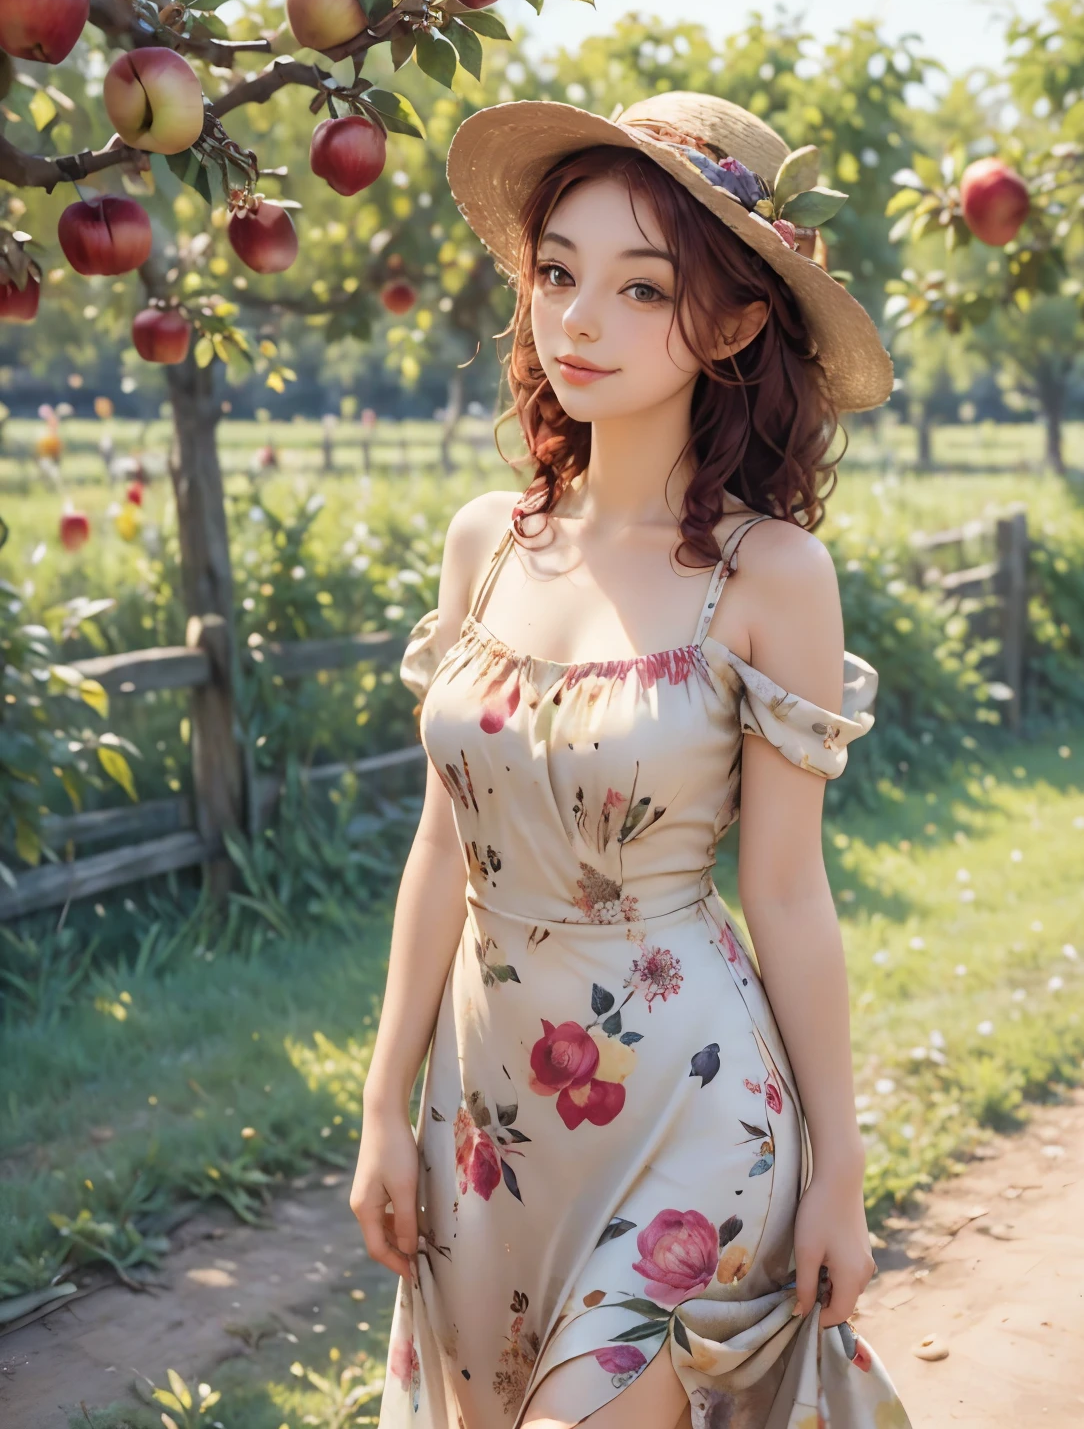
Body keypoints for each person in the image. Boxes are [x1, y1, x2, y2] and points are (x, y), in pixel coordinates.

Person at [352, 90, 911, 1429]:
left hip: (691, 1103)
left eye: (640, 286)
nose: (579, 319)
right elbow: (443, 847)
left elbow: (787, 895)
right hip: (489, 1116)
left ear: (730, 323)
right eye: (557, 272)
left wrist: (841, 1169)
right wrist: (383, 1110)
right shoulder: (490, 540)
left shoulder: (772, 575)